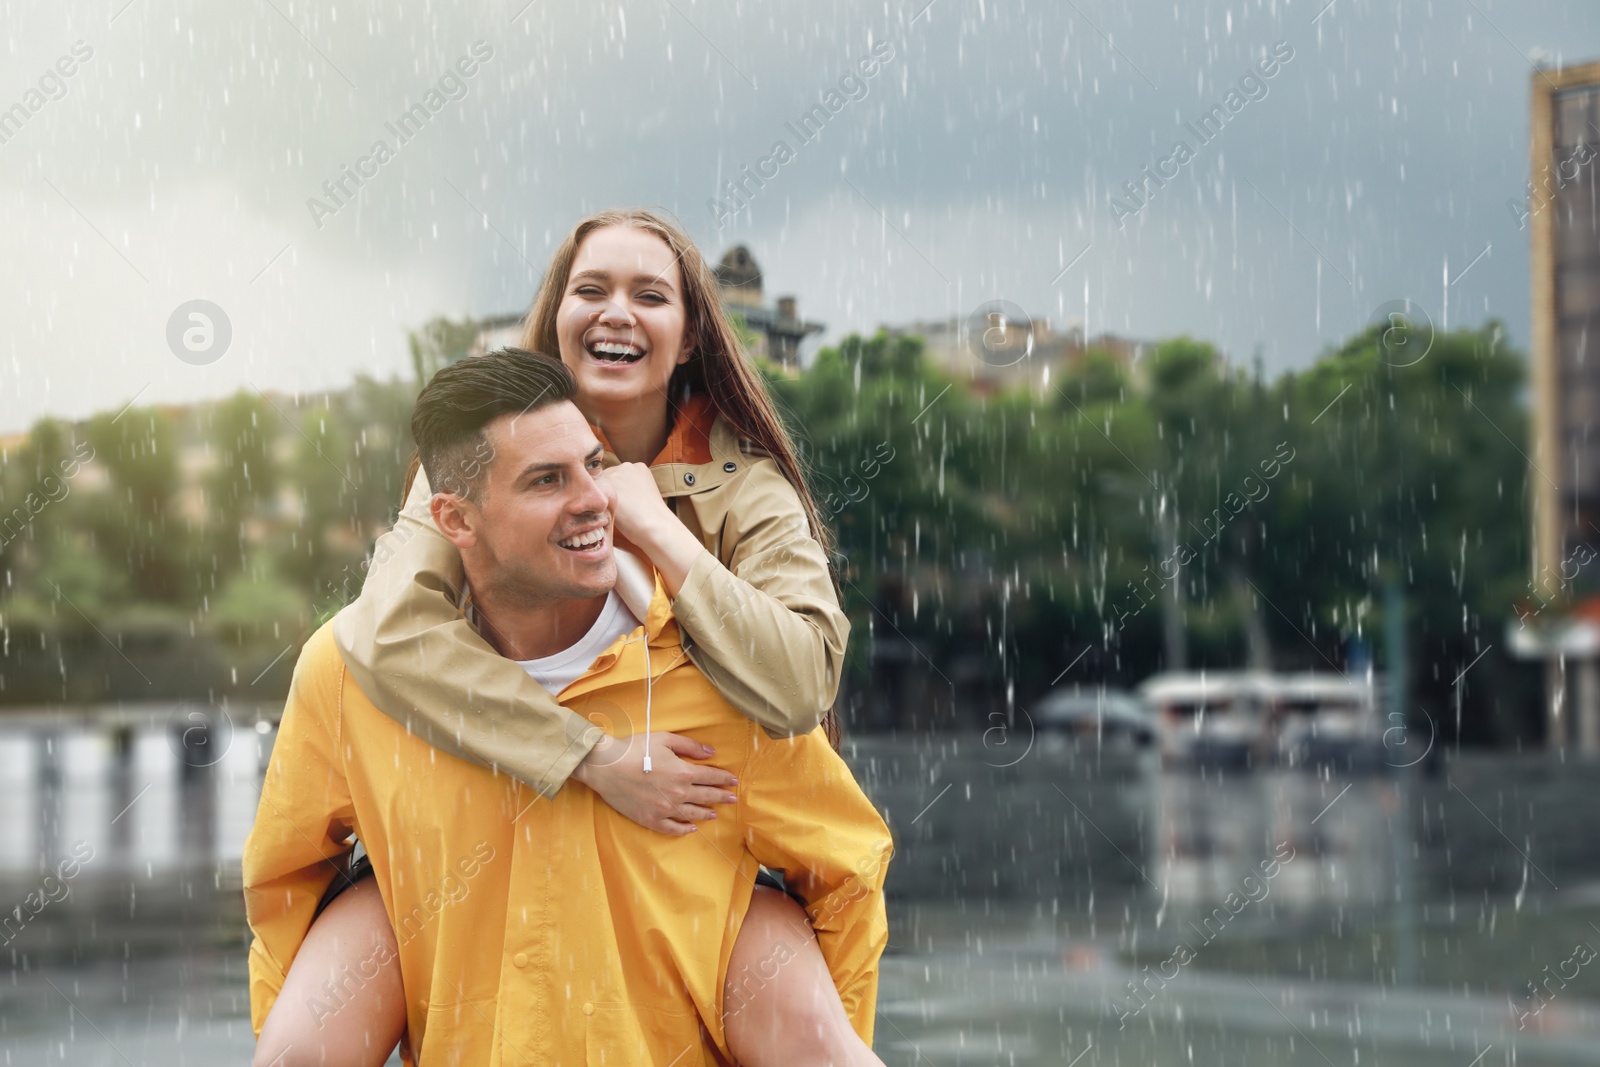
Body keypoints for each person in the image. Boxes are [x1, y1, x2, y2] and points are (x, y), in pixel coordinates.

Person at [270, 208, 871, 1063]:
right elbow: (394, 631)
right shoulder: (475, 456)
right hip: (468, 814)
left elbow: (804, 680)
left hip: (693, 841)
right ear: (557, 317)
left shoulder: (743, 485)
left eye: (649, 294)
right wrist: (589, 757)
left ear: (691, 332)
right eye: (591, 289)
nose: (616, 312)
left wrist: (657, 529)